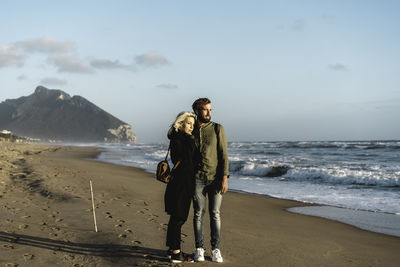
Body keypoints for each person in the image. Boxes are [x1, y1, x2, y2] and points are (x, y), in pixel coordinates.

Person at [191, 98, 229, 263]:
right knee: (198, 214)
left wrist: (224, 178)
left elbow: (224, 155)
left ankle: (215, 249)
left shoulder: (217, 128)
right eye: (205, 110)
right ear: (197, 111)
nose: (208, 113)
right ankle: (199, 249)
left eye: (210, 110)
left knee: (215, 214)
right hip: (196, 179)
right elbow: (172, 135)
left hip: (215, 179)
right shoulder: (190, 129)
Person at [164, 111, 196, 263]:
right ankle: (176, 252)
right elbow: (188, 160)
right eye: (189, 124)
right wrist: (191, 140)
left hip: (179, 181)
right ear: (181, 123)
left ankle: (172, 249)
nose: (192, 127)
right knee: (179, 217)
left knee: (176, 217)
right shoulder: (181, 139)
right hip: (182, 182)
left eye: (193, 124)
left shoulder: (177, 138)